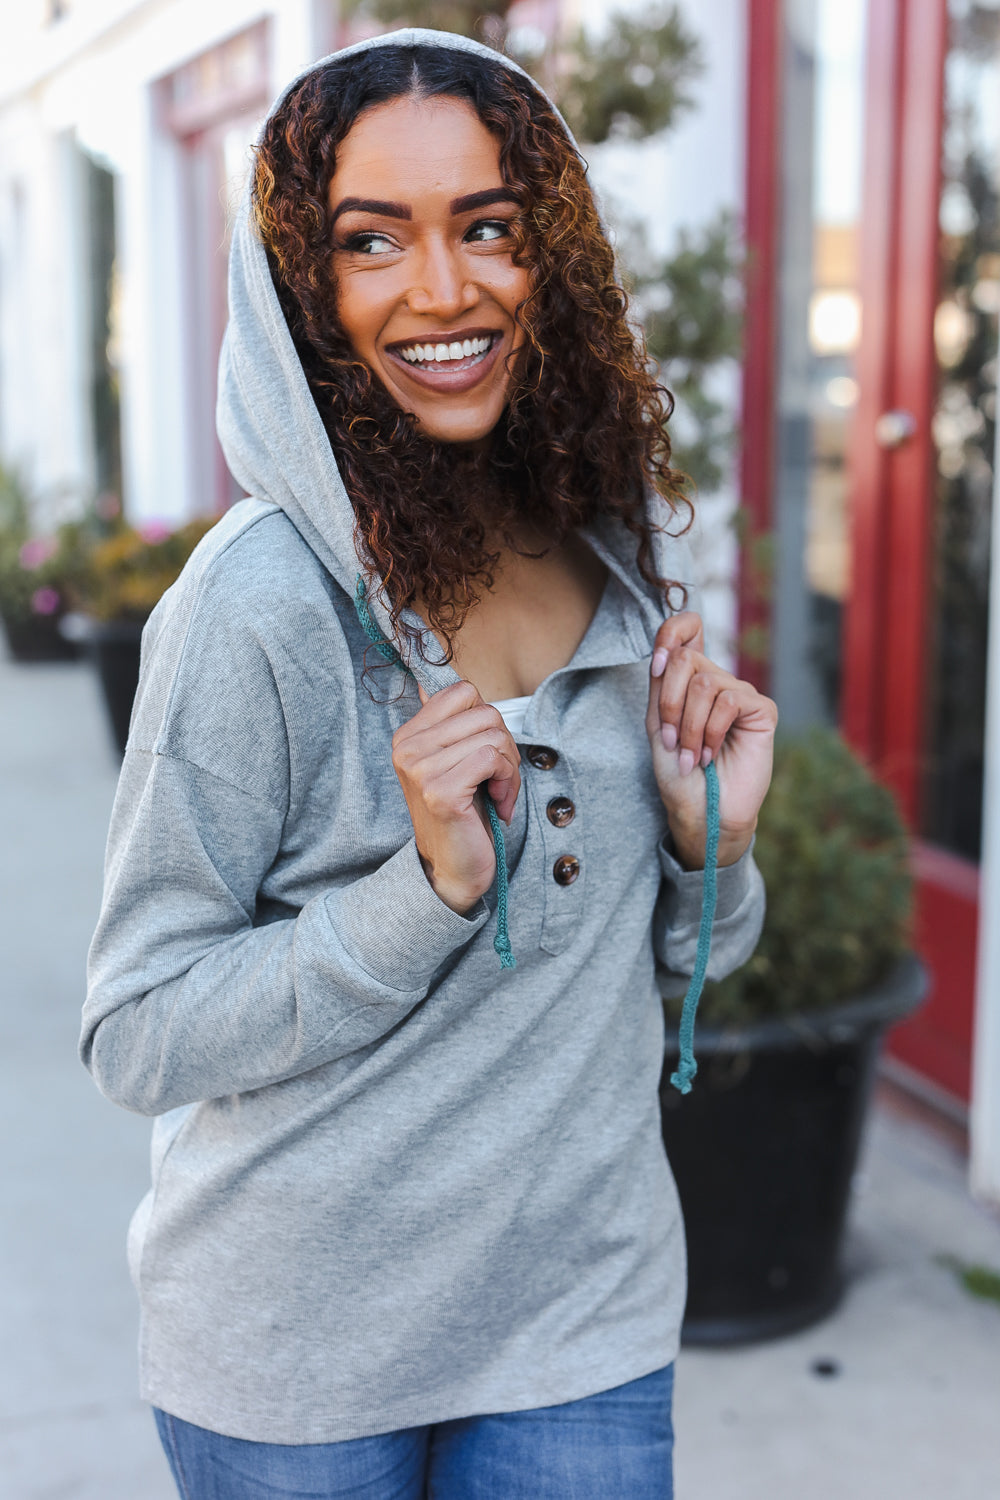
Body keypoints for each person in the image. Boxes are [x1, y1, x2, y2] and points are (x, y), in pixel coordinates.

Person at [80, 28, 777, 1500]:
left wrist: (708, 839)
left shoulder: (625, 557)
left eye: (487, 228)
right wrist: (428, 895)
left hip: (578, 1323)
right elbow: (136, 1031)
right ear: (305, 293)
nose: (443, 289)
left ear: (551, 257)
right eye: (370, 241)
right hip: (297, 1362)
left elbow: (665, 977)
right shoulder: (257, 605)